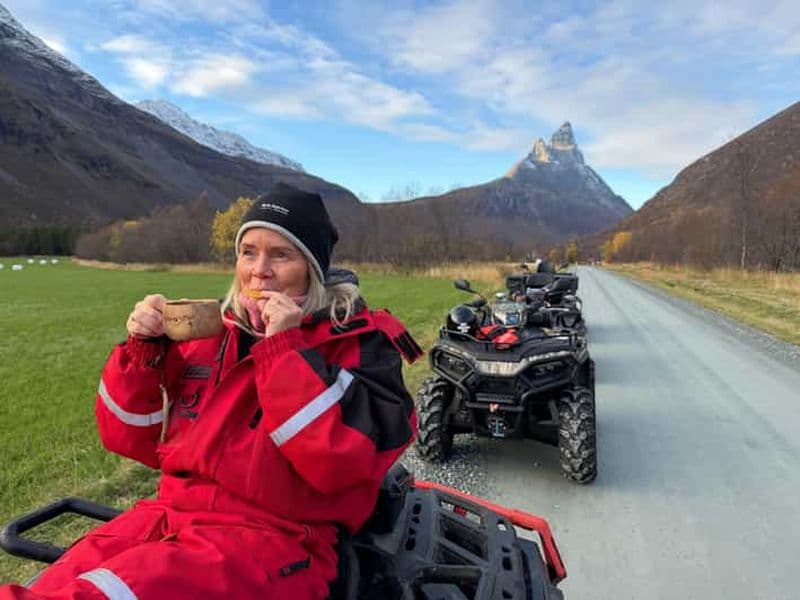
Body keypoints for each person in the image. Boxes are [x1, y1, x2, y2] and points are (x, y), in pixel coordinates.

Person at [0, 183, 422, 600]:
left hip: (278, 543)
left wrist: (282, 351)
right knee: (56, 583)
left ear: (312, 269)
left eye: (281, 254)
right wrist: (144, 356)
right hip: (170, 515)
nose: (260, 270)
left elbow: (340, 465)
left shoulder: (359, 346)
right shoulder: (212, 335)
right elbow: (129, 438)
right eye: (248, 252)